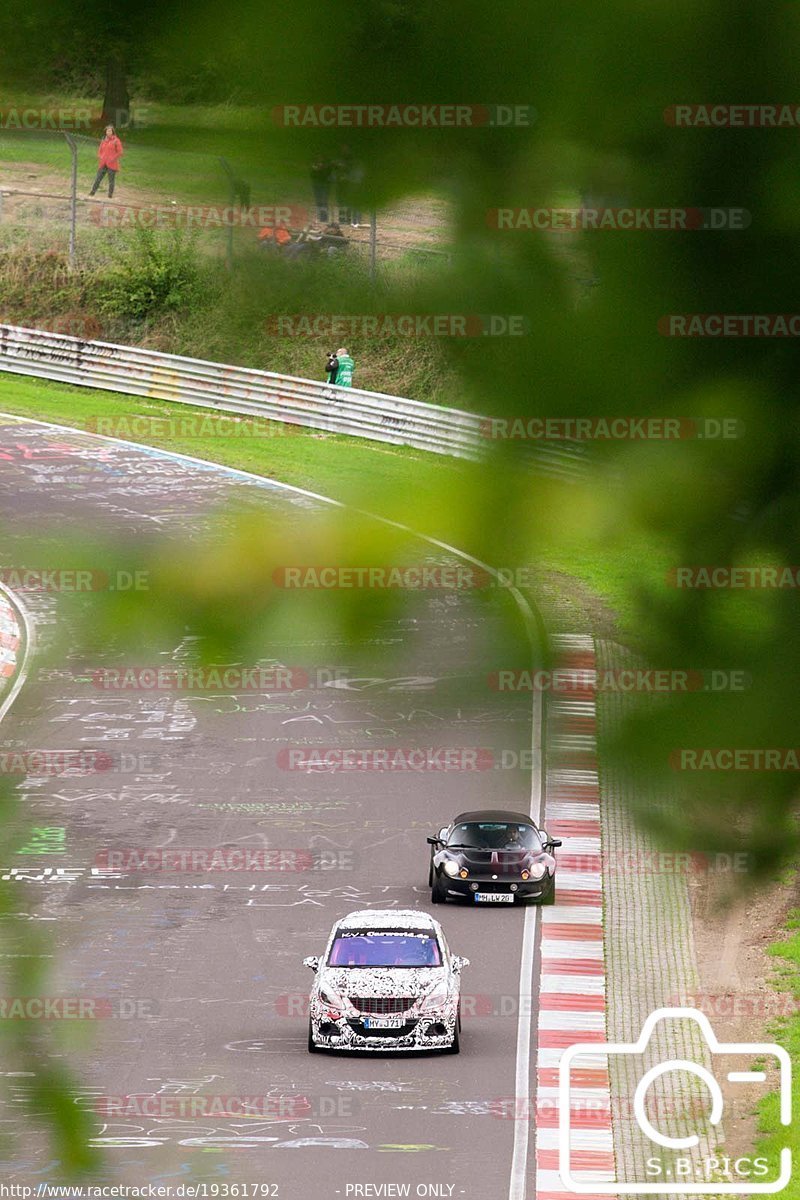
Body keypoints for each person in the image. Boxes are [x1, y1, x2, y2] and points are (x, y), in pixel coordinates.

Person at [89, 125, 124, 198]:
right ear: (105, 132)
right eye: (107, 131)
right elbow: (100, 150)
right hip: (103, 163)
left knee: (111, 180)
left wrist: (113, 158)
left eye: (110, 131)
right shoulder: (103, 140)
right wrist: (100, 157)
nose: (108, 132)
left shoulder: (116, 140)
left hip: (112, 164)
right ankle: (92, 192)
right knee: (98, 178)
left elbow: (120, 152)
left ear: (112, 132)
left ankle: (110, 195)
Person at [310, 159, 334, 225]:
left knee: (324, 202)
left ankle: (324, 218)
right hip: (317, 186)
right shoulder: (315, 169)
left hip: (324, 187)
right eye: (318, 163)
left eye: (320, 163)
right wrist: (315, 170)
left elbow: (327, 177)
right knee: (318, 202)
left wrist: (319, 170)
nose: (319, 164)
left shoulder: (327, 169)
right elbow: (312, 177)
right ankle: (319, 217)